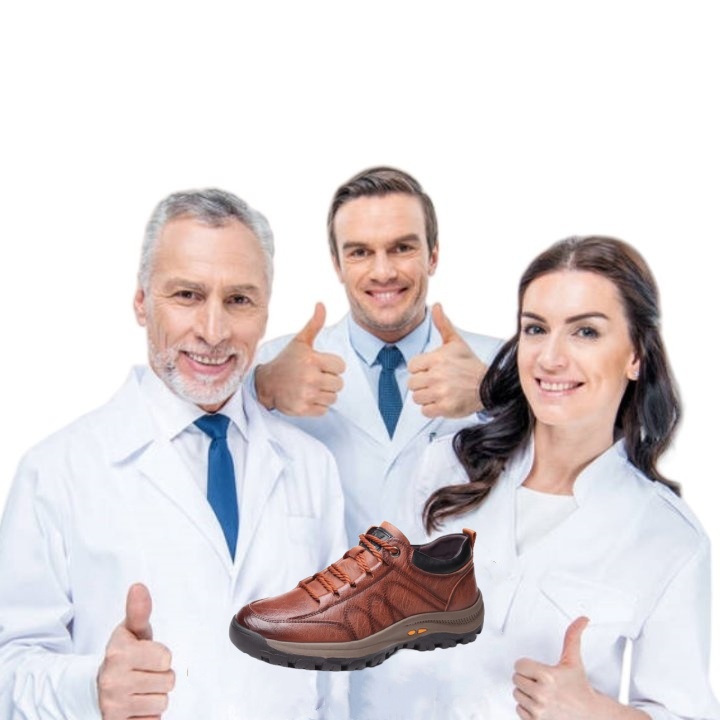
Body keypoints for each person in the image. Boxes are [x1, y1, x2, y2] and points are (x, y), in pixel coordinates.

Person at [0, 189, 348, 720]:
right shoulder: (57, 472)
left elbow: (333, 670)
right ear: (142, 301)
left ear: (265, 310)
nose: (213, 331)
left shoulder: (310, 466)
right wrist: (91, 688)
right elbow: (9, 670)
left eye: (239, 300)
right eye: (187, 295)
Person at [357, 235, 719, 719]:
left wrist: (594, 713)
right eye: (535, 329)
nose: (550, 358)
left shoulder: (668, 538)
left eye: (585, 332)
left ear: (636, 355)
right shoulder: (443, 468)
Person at [252, 166, 503, 537]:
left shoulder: (497, 364)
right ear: (337, 265)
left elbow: (566, 451)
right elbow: (205, 426)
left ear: (433, 256)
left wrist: (491, 393)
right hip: (331, 576)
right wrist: (261, 388)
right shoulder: (276, 364)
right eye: (360, 252)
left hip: (457, 575)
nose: (383, 272)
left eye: (402, 248)